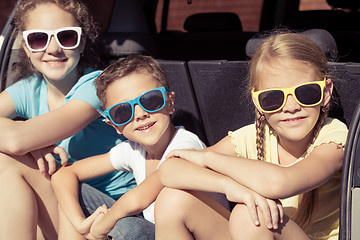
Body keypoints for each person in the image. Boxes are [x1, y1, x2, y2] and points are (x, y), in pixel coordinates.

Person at [154, 32, 348, 240]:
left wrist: (206, 158)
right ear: (257, 102)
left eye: (306, 93)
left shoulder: (334, 137)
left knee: (251, 214)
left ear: (326, 92)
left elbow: (280, 183)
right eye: (273, 98)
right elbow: (168, 169)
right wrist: (230, 187)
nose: (291, 107)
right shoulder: (253, 136)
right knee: (172, 199)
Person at [51, 54, 228, 239]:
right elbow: (65, 174)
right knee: (71, 194)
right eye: (122, 111)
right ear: (114, 125)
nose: (140, 114)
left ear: (170, 102)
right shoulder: (133, 150)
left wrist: (102, 225)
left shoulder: (186, 146)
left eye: (150, 100)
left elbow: (137, 200)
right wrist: (79, 223)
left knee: (130, 228)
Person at [0, 0, 135, 239]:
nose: (53, 49)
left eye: (67, 37)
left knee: (8, 161)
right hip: (68, 202)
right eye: (39, 39)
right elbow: (17, 140)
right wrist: (36, 146)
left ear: (82, 43)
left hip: (112, 213)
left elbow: (16, 141)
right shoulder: (28, 89)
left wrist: (29, 145)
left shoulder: (99, 88)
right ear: (26, 46)